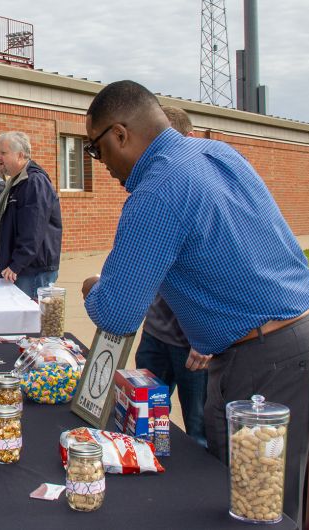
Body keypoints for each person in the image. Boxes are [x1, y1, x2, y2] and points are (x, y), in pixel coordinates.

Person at [81, 80, 309, 524]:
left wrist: (92, 287)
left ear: (119, 134)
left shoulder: (156, 190)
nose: (101, 166)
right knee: (254, 489)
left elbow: (116, 312)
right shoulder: (217, 153)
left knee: (260, 505)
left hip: (265, 357)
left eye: (95, 150)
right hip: (291, 337)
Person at [133, 105, 207, 448]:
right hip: (156, 333)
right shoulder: (155, 190)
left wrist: (205, 337)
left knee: (198, 430)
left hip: (193, 345)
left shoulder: (202, 192)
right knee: (144, 423)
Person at [0, 131, 63, 298]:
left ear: (20, 155)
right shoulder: (18, 181)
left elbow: (33, 229)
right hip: (24, 268)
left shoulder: (34, 182)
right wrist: (2, 261)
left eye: (3, 153)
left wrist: (17, 264)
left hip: (33, 271)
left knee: (31, 322)